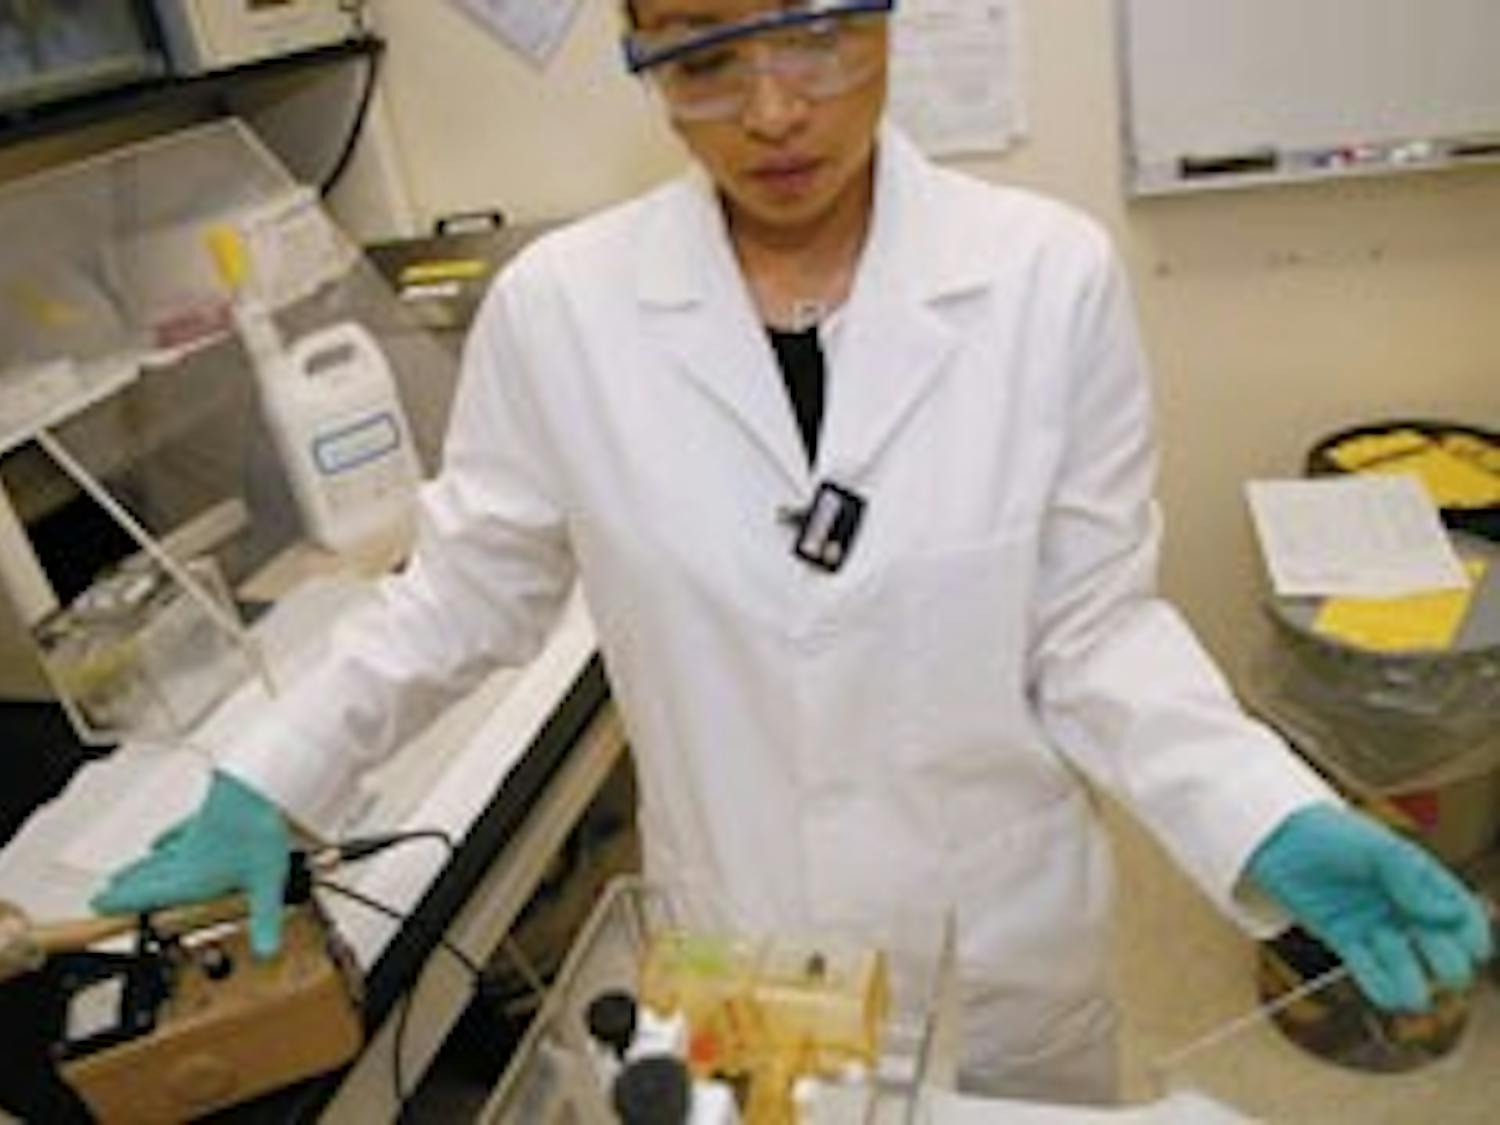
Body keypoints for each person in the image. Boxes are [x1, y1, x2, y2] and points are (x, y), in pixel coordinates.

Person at [94, 0, 1492, 1104]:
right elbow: (463, 596)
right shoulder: (563, 313)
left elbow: (1090, 629)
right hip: (741, 952)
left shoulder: (1044, 278)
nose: (773, 109)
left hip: (1000, 948)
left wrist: (1265, 805)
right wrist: (274, 781)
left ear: (889, 18)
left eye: (821, 31)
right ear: (642, 55)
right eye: (703, 55)